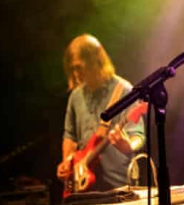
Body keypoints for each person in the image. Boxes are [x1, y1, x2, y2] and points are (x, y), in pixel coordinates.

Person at [56, 34, 145, 193]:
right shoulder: (75, 96)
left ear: (95, 61)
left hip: (117, 185)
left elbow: (138, 135)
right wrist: (67, 164)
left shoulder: (123, 91)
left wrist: (128, 145)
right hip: (83, 185)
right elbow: (70, 135)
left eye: (79, 67)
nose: (76, 74)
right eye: (72, 69)